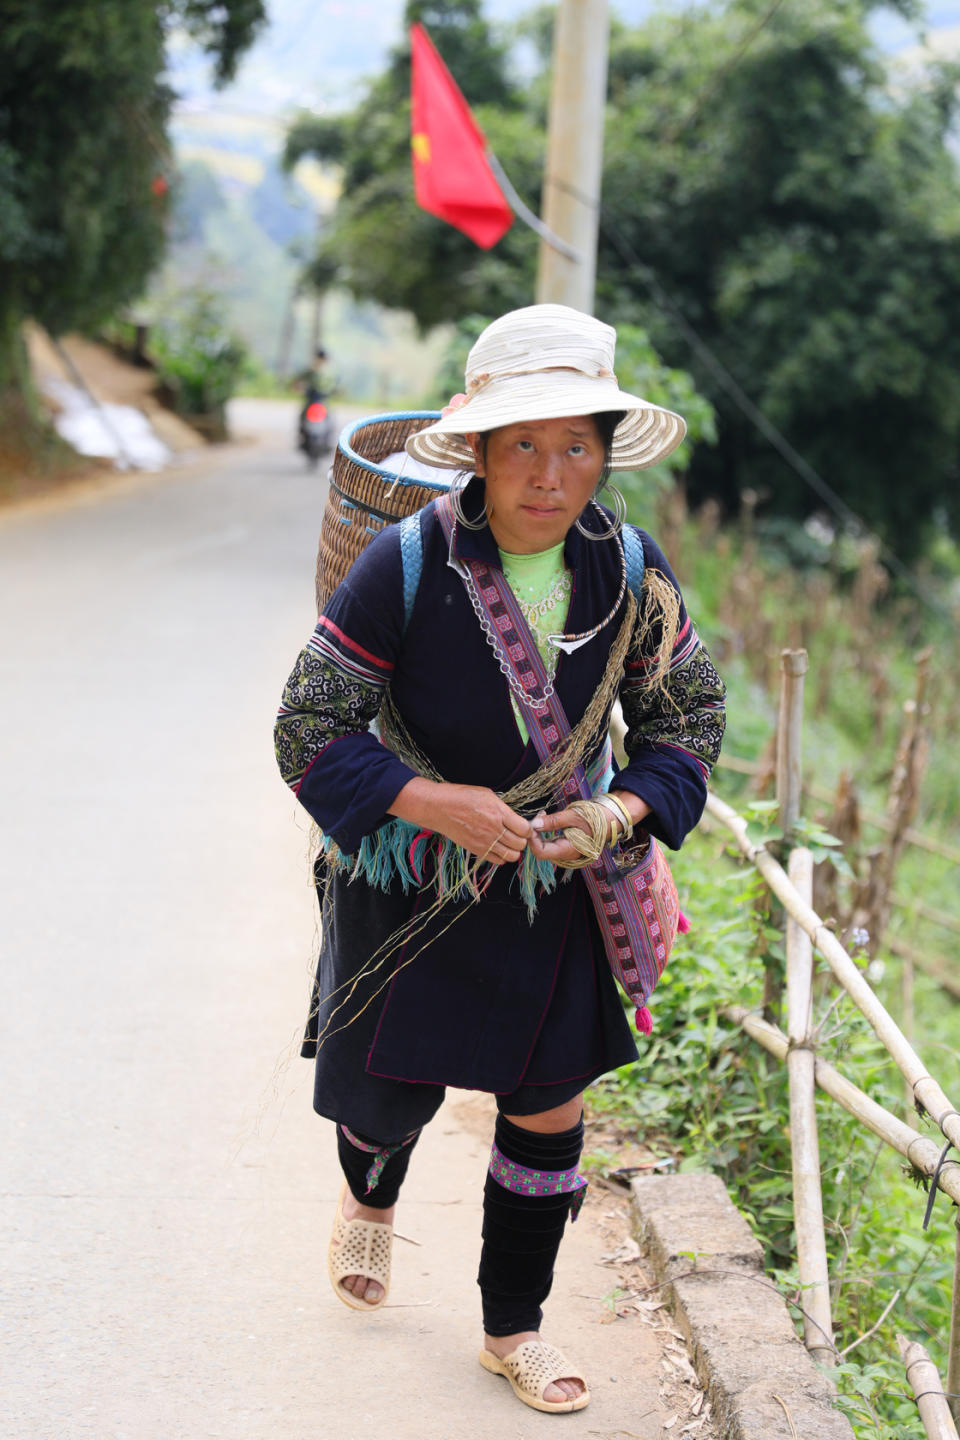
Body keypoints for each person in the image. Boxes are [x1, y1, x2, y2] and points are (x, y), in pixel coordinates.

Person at [274, 304, 726, 1415]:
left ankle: (510, 1326)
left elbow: (688, 720)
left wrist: (620, 812)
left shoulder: (630, 569)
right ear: (474, 448)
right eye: (524, 442)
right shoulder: (407, 563)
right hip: (413, 880)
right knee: (385, 1097)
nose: (550, 471)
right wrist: (431, 802)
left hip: (554, 891)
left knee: (549, 1106)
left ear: (605, 453)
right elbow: (308, 725)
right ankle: (369, 1202)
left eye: (577, 443)